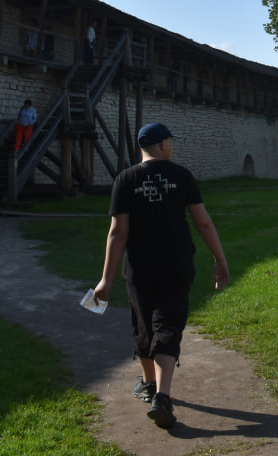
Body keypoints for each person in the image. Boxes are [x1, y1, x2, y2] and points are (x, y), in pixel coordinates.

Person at [93, 123, 230, 429]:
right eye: (171, 140)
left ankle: (148, 384)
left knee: (143, 324)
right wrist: (220, 259)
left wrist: (106, 279)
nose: (172, 145)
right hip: (176, 264)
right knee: (167, 324)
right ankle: (162, 397)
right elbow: (203, 223)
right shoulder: (181, 176)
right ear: (164, 144)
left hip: (139, 268)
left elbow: (118, 232)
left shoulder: (125, 179)